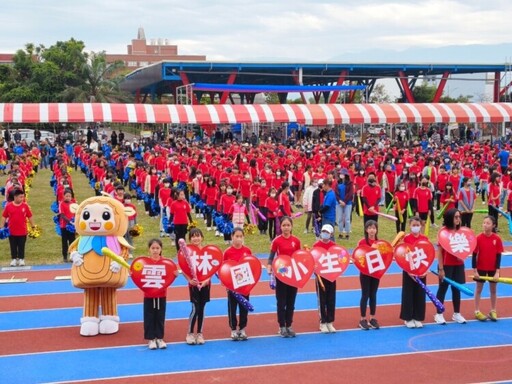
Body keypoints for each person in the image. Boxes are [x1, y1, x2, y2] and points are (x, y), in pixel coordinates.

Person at [266, 216, 302, 337]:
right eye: (284, 225)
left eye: (288, 225)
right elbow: (271, 257)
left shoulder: (296, 241)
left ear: (291, 227)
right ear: (280, 227)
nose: (286, 228)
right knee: (281, 302)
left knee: (291, 302)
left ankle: (289, 325)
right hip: (281, 274)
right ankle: (281, 326)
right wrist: (269, 266)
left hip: (293, 276)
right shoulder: (276, 241)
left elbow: (299, 257)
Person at [143, 238, 178, 350]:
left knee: (160, 316)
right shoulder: (145, 263)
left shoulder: (165, 263)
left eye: (157, 248)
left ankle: (159, 337)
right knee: (149, 316)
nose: (155, 250)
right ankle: (151, 339)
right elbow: (139, 276)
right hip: (148, 295)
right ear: (149, 249)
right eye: (153, 248)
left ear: (161, 249)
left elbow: (169, 274)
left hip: (161, 295)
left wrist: (174, 274)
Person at [434, 208, 467, 325]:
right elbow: (440, 252)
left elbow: (466, 247)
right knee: (442, 289)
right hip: (446, 265)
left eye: (459, 217)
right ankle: (438, 314)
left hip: (458, 265)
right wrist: (441, 268)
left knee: (456, 289)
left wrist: (462, 256)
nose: (458, 219)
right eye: (456, 217)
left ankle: (456, 313)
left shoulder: (462, 231)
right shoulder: (443, 232)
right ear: (450, 218)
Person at [223, 227, 253, 340]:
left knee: (244, 307)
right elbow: (223, 268)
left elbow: (251, 266)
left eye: (241, 236)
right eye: (237, 236)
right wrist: (226, 284)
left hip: (244, 285)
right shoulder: (227, 252)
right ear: (232, 237)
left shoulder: (247, 251)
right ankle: (233, 329)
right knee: (232, 307)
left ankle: (242, 328)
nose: (239, 239)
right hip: (232, 286)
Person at [400, 216, 429, 328]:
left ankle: (418, 317)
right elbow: (402, 255)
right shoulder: (406, 239)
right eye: (413, 225)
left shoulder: (424, 239)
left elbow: (428, 254)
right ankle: (408, 318)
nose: (416, 227)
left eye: (418, 225)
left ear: (421, 226)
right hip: (409, 270)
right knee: (408, 293)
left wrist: (425, 270)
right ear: (410, 226)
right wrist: (408, 271)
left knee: (420, 294)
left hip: (421, 270)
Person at [472, 216, 503, 321]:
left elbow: (499, 256)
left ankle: (493, 310)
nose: (485, 225)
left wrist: (497, 272)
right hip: (480, 268)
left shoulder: (497, 239)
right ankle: (477, 310)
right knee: (479, 289)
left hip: (493, 269)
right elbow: (474, 254)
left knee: (493, 290)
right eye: (484, 222)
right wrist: (475, 270)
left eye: (488, 223)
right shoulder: (478, 238)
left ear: (493, 225)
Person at [184, 228, 210, 345]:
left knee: (202, 309)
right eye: (193, 236)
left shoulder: (207, 251)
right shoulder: (187, 252)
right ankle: (190, 333)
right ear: (190, 239)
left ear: (202, 237)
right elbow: (183, 268)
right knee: (195, 308)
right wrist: (190, 280)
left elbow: (212, 268)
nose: (196, 238)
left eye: (198, 236)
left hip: (205, 284)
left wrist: (206, 280)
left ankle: (200, 333)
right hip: (194, 285)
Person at [1, 189, 35, 266]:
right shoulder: (9, 206)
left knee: (21, 245)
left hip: (22, 230)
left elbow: (30, 216)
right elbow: (4, 216)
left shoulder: (25, 206)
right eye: (20, 197)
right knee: (13, 245)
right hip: (12, 231)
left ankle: (21, 259)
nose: (22, 199)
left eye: (23, 197)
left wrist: (33, 225)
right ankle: (13, 259)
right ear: (15, 197)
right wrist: (1, 226)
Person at [313, 224, 337, 333]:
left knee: (331, 299)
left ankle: (330, 322)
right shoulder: (316, 245)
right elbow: (313, 260)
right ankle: (323, 322)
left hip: (331, 276)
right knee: (322, 300)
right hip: (321, 277)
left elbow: (339, 259)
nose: (325, 234)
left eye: (327, 232)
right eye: (323, 231)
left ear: (331, 234)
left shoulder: (334, 246)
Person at [357, 220, 381, 330]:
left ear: (376, 230)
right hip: (365, 273)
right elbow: (358, 256)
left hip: (376, 273)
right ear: (366, 230)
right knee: (365, 294)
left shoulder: (380, 243)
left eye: (374, 228)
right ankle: (362, 319)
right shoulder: (362, 242)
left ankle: (372, 318)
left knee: (373, 294)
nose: (372, 230)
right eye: (370, 228)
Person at [59, 188, 76, 263]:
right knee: (64, 242)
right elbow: (62, 215)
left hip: (72, 227)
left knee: (72, 241)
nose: (68, 197)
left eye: (69, 196)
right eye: (66, 196)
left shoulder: (73, 203)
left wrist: (74, 221)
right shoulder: (61, 204)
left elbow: (76, 213)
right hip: (64, 226)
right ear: (63, 196)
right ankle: (65, 256)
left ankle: (72, 255)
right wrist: (69, 221)